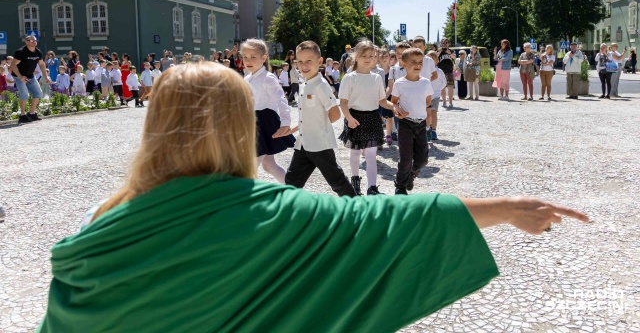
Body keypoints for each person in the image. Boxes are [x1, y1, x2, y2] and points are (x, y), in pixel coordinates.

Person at [36, 62, 590, 333]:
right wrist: (509, 208)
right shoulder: (271, 214)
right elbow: (384, 221)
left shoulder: (99, 220)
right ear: (236, 127)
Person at [283, 41, 357, 198]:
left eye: (309, 61)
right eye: (300, 61)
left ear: (320, 62)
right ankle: (288, 215)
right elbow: (307, 116)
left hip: (319, 145)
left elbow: (335, 113)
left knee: (337, 182)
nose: (304, 65)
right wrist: (294, 129)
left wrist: (319, 127)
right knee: (291, 182)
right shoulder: (304, 84)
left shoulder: (320, 85)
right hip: (303, 145)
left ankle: (357, 207)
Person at [338, 40, 396, 196]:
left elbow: (382, 100)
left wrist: (394, 107)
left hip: (372, 117)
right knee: (355, 153)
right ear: (356, 56)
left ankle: (372, 187)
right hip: (354, 118)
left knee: (371, 154)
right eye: (364, 55)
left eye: (372, 55)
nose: (368, 58)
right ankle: (355, 182)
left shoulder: (377, 78)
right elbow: (343, 102)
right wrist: (349, 118)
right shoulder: (349, 77)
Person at [242, 39, 294, 184]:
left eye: (253, 57)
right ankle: (293, 190)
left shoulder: (268, 78)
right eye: (245, 57)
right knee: (269, 165)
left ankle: (248, 200)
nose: (248, 60)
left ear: (263, 58)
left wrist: (285, 123)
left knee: (251, 167)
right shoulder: (247, 78)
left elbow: (281, 101)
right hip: (252, 123)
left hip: (264, 124)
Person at [391, 48, 433, 195]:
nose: (418, 65)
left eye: (420, 62)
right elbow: (394, 102)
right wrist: (397, 110)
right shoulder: (399, 83)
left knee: (423, 160)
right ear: (404, 63)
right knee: (406, 158)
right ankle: (400, 186)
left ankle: (411, 174)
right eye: (413, 62)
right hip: (405, 124)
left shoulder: (426, 83)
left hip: (421, 124)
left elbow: (427, 101)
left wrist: (427, 117)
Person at [10, 35, 53, 122]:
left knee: (38, 94)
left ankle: (32, 113)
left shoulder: (37, 52)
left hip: (30, 75)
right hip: (19, 75)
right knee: (25, 94)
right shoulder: (21, 52)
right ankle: (22, 116)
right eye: (31, 40)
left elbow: (41, 64)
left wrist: (46, 76)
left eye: (35, 40)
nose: (34, 42)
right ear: (26, 42)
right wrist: (20, 77)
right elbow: (13, 65)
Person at [388, 42, 411, 142]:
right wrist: (382, 98)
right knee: (399, 122)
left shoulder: (413, 68)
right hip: (397, 102)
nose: (400, 56)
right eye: (398, 53)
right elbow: (390, 87)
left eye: (403, 53)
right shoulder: (393, 69)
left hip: (411, 101)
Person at [427, 51, 446, 141]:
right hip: (426, 95)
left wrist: (438, 90)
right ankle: (428, 128)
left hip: (435, 95)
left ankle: (433, 131)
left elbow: (444, 83)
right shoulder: (424, 71)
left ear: (436, 61)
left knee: (433, 113)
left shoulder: (440, 72)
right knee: (427, 114)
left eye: (432, 59)